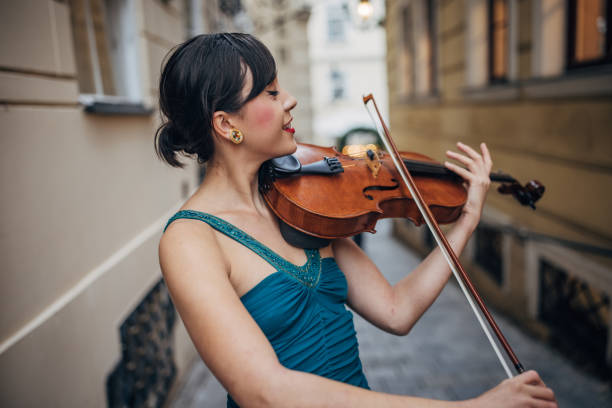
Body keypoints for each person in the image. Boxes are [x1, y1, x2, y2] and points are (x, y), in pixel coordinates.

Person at [156, 33, 557, 408]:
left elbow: (397, 311)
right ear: (227, 124)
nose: (289, 100)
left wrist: (466, 219)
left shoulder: (301, 205)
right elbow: (265, 391)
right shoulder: (191, 239)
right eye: (272, 92)